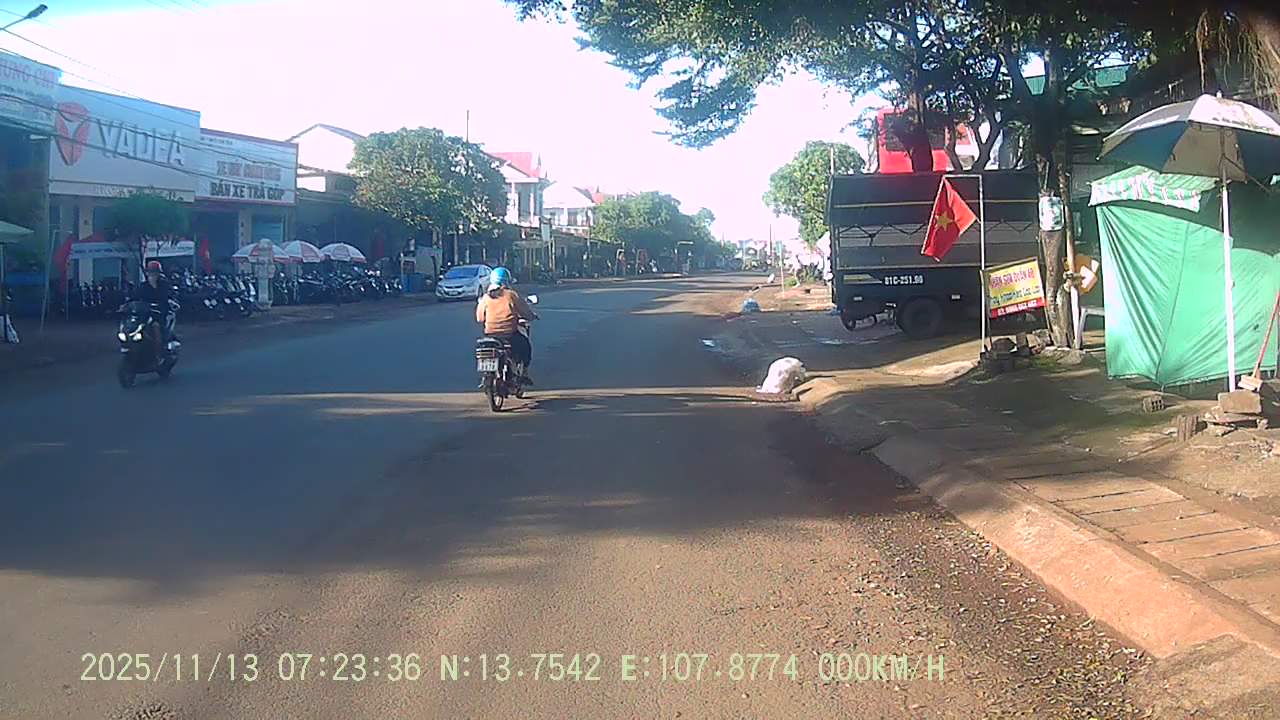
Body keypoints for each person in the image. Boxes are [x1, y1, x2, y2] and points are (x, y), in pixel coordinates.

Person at [475, 266, 537, 383]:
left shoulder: (486, 297)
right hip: (509, 334)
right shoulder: (511, 295)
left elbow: (479, 318)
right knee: (526, 346)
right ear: (507, 280)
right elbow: (525, 312)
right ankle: (524, 373)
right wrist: (532, 316)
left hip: (490, 334)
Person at [130, 260, 177, 348]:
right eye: (150, 272)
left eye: (155, 272)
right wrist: (128, 305)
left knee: (156, 325)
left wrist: (168, 302)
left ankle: (159, 348)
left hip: (160, 313)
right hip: (145, 312)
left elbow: (168, 296)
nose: (152, 274)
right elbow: (135, 297)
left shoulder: (164, 285)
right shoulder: (143, 286)